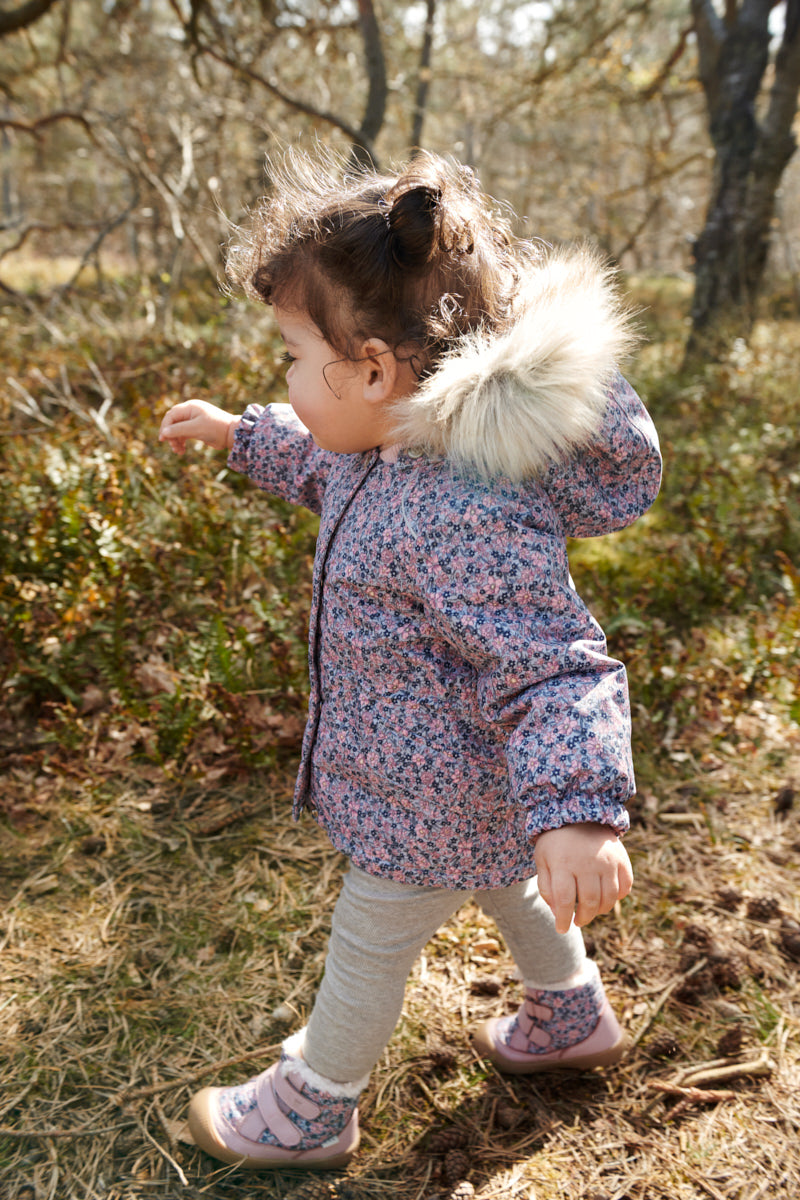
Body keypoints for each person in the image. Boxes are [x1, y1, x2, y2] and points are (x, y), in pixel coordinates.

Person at [158, 147, 661, 1172]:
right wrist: (238, 431)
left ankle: (313, 1103)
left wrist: (572, 810)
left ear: (378, 369)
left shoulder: (462, 507)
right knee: (513, 885)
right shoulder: (385, 447)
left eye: (293, 362)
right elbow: (315, 457)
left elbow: (552, 662)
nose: (289, 383)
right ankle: (570, 1017)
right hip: (466, 787)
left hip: (422, 796)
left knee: (369, 941)